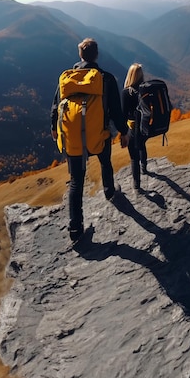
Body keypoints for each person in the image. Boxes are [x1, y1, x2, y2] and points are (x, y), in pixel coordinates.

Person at [51, 38, 129, 242]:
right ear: (96, 55)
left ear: (80, 55)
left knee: (76, 182)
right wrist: (124, 131)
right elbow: (115, 110)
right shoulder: (106, 78)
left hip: (73, 139)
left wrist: (54, 129)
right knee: (105, 163)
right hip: (99, 136)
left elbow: (55, 106)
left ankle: (75, 228)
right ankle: (109, 191)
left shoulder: (67, 78)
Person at [121, 63, 148, 193]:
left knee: (133, 156)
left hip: (132, 126)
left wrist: (123, 132)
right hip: (145, 125)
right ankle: (144, 167)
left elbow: (124, 113)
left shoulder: (127, 92)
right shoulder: (146, 90)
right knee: (142, 145)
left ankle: (136, 185)